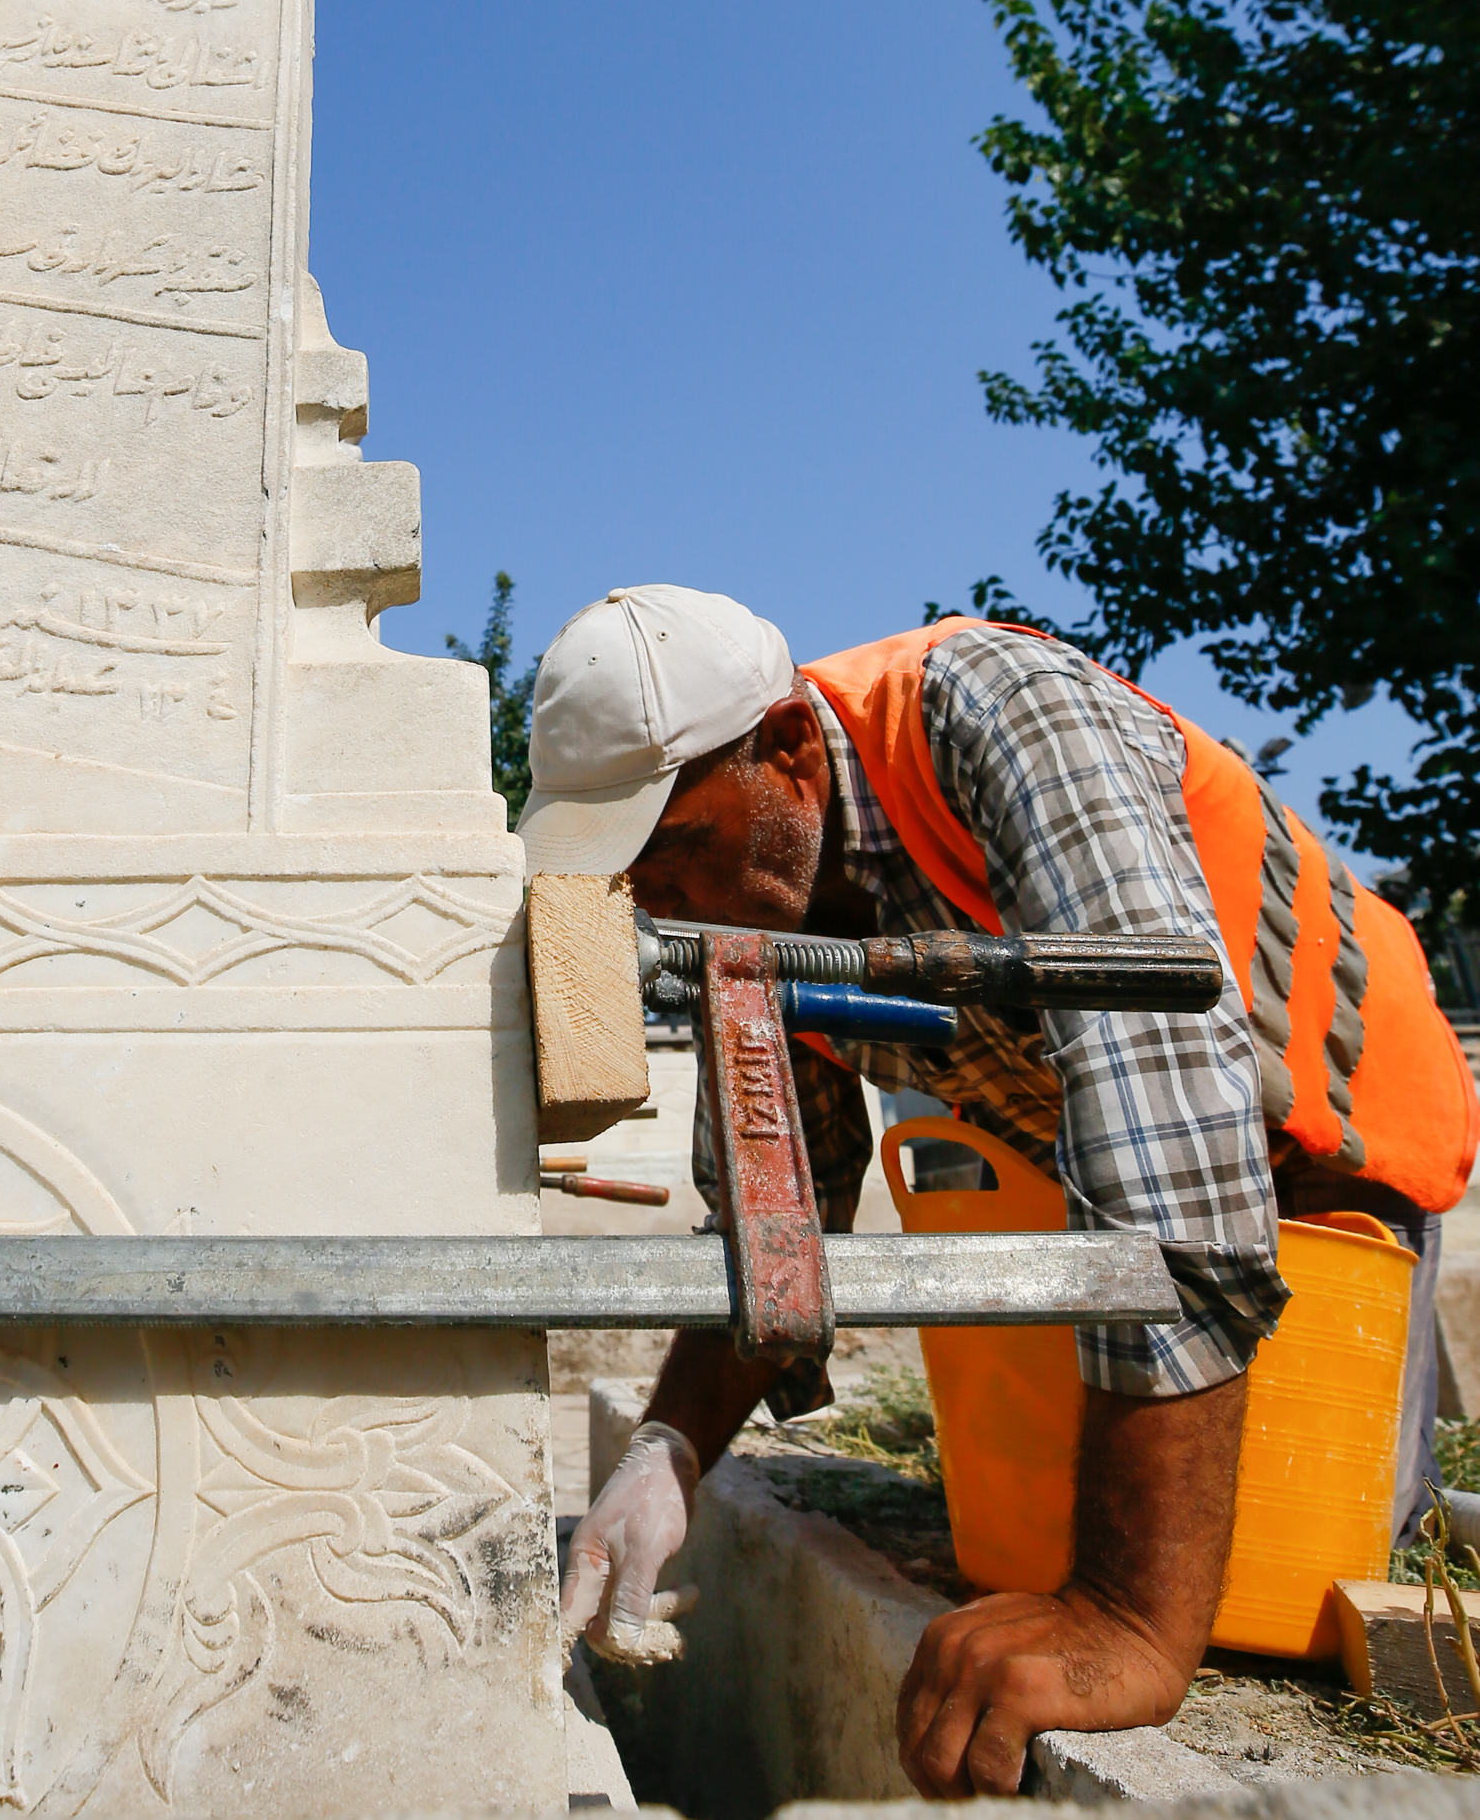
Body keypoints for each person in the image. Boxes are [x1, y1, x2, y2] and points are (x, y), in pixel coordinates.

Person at [530, 587, 1477, 1799]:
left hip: (1332, 1119)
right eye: (624, 868)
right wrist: (667, 1453)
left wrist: (1127, 1618)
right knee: (1128, 1554)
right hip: (1155, 1171)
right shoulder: (761, 904)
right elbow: (775, 1228)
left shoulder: (993, 713)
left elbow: (1170, 1131)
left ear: (790, 750)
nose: (653, 894)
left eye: (672, 845)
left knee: (1321, 1569)